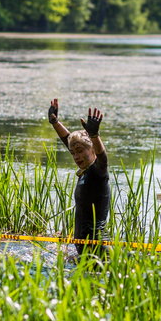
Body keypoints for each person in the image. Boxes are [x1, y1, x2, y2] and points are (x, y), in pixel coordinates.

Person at [48, 98, 110, 261]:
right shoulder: (86, 171)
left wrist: (95, 136)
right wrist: (55, 122)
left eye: (80, 151)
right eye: (73, 152)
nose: (76, 156)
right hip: (84, 249)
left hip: (97, 250)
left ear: (92, 150)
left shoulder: (98, 173)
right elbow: (68, 140)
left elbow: (103, 158)